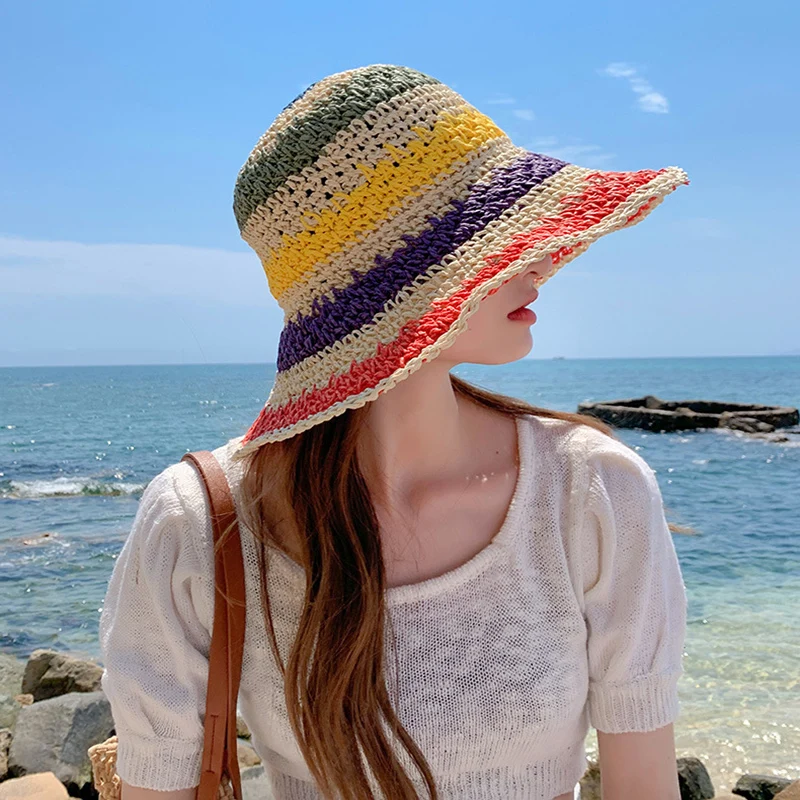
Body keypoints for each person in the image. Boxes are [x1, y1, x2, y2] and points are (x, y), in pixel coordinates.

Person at [98, 64, 690, 800]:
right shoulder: (200, 522)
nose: (542, 260)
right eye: (497, 238)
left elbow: (644, 785)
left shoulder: (593, 489)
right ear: (411, 283)